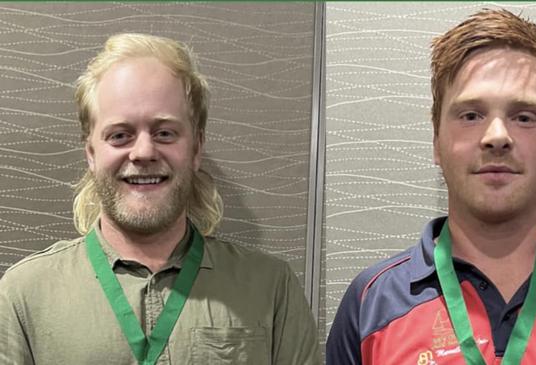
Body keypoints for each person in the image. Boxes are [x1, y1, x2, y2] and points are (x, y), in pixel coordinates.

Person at [327, 9, 536, 365]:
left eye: (524, 116)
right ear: (436, 141)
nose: (497, 136)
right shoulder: (372, 302)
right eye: (470, 115)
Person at [0, 33, 320, 365]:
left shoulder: (270, 288)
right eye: (120, 135)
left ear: (196, 148)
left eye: (164, 132)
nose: (143, 152)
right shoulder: (24, 294)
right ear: (91, 153)